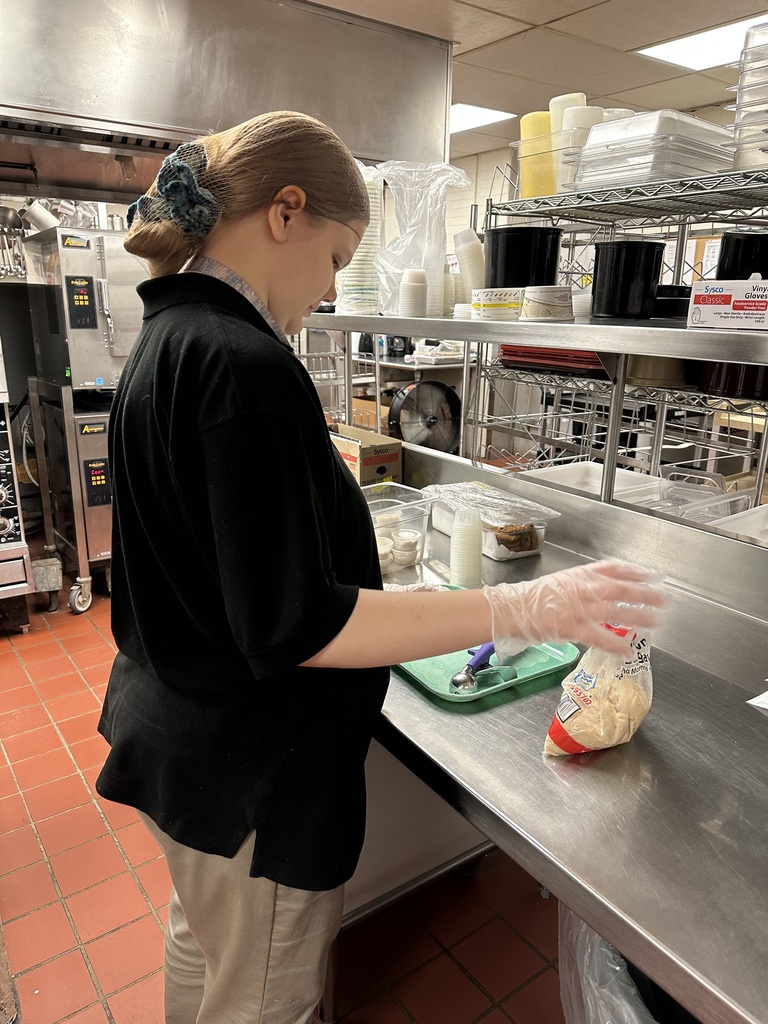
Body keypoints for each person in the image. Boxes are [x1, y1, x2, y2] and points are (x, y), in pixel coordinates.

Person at [95, 110, 665, 1024]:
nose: (328, 291)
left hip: (182, 749)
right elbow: (302, 628)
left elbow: (226, 568)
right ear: (285, 213)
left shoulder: (168, 341)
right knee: (261, 1001)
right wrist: (526, 607)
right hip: (252, 776)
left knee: (203, 954)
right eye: (335, 257)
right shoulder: (245, 364)